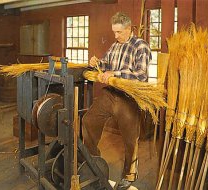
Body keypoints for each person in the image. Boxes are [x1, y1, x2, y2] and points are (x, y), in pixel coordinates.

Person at [82, 12, 152, 190]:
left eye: (119, 32)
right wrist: (97, 63)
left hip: (128, 97)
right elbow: (105, 65)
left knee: (130, 137)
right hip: (110, 94)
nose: (115, 36)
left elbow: (142, 76)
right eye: (114, 32)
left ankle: (129, 175)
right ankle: (93, 160)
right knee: (89, 120)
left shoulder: (140, 46)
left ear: (129, 29)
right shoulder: (115, 46)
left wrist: (116, 74)